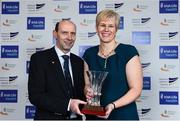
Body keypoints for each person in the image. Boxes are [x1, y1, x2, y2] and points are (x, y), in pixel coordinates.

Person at [83, 9, 143, 120]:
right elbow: (87, 85)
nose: (106, 29)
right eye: (102, 25)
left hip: (123, 115)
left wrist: (113, 105)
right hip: (95, 115)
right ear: (96, 28)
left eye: (111, 26)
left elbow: (136, 90)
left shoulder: (128, 52)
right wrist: (88, 92)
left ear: (116, 29)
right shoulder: (89, 54)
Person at [28, 20, 86, 120]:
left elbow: (81, 95)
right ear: (55, 34)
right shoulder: (39, 59)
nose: (69, 37)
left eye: (73, 33)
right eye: (64, 33)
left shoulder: (79, 62)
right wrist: (68, 105)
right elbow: (35, 96)